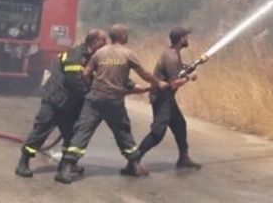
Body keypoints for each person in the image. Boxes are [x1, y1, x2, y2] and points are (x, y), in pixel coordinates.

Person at [55, 23, 169, 184]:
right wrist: (158, 83)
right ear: (122, 36)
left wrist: (91, 89)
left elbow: (86, 74)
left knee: (82, 132)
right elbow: (144, 73)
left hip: (94, 99)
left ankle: (66, 168)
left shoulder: (99, 53)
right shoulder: (128, 54)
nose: (128, 36)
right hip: (114, 101)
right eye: (127, 34)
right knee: (123, 132)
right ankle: (134, 165)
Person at [15, 28, 109, 178]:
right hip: (55, 100)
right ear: (96, 41)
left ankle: (66, 165)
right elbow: (75, 81)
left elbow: (105, 75)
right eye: (104, 40)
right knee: (40, 132)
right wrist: (89, 98)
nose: (106, 44)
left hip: (70, 104)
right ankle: (23, 164)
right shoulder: (76, 55)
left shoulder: (92, 56)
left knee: (71, 136)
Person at [135, 27, 203, 170]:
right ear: (181, 39)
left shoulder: (172, 53)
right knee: (158, 132)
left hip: (167, 98)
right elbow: (173, 84)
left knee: (180, 125)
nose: (187, 39)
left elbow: (178, 72)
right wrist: (190, 77)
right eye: (186, 37)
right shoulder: (171, 57)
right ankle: (135, 160)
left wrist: (191, 67)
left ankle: (184, 158)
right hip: (161, 98)